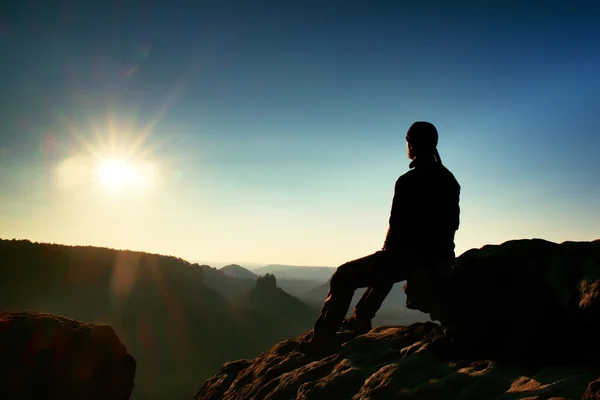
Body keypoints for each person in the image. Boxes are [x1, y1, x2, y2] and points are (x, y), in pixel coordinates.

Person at [310, 121, 460, 350]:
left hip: (412, 256)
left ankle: (323, 340)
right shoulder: (449, 180)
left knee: (343, 275)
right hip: (439, 255)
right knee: (387, 265)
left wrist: (391, 253)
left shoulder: (408, 181)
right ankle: (360, 318)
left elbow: (397, 227)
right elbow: (452, 224)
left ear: (411, 145)